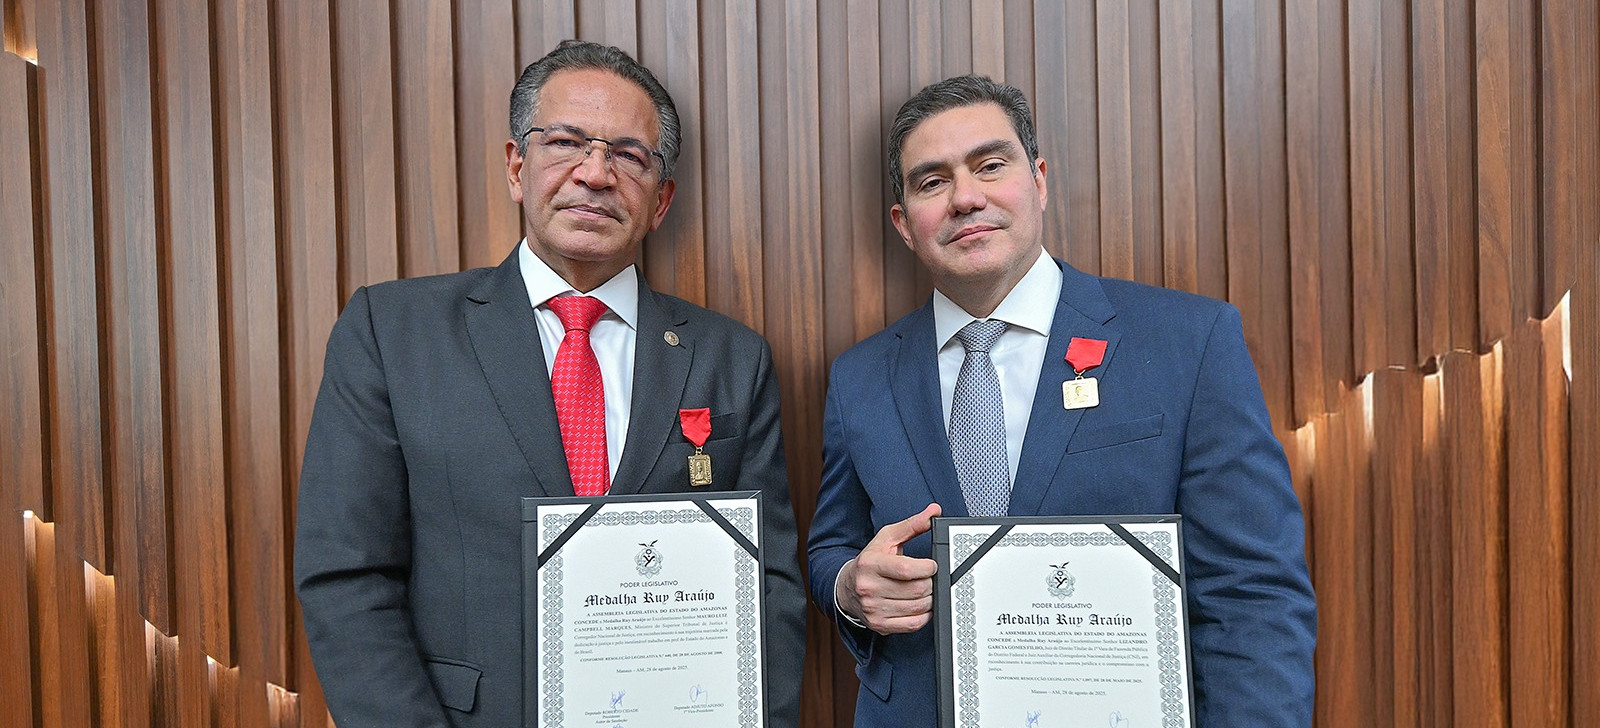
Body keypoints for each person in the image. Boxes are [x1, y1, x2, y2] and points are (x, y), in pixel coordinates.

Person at [295, 40, 805, 728]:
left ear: (661, 200)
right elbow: (348, 577)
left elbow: (767, 586)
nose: (595, 175)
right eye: (566, 142)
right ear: (516, 167)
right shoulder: (392, 333)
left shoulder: (732, 357)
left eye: (629, 155)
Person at [806, 75, 1316, 726]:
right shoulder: (860, 378)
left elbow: (1253, 594)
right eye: (933, 182)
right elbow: (831, 549)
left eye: (990, 166)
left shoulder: (1187, 344)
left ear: (1039, 180)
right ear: (905, 224)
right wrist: (850, 588)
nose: (966, 198)